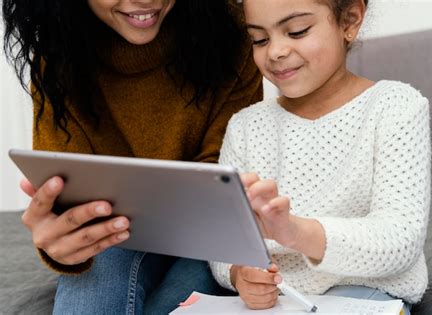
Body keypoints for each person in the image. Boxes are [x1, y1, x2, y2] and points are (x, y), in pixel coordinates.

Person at [2, 0, 262, 314]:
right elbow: (68, 201)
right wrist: (62, 244)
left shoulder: (234, 33)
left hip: (208, 235)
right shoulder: (58, 49)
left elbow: (225, 180)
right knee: (97, 277)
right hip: (114, 235)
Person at [210, 0, 430, 314]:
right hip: (279, 301)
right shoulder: (245, 126)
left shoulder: (396, 107)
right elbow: (222, 236)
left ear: (350, 20)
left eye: (296, 31)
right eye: (259, 39)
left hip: (363, 292)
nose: (275, 52)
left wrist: (295, 232)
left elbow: (399, 240)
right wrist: (238, 273)